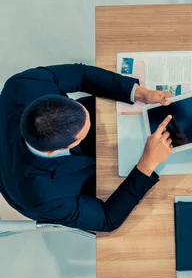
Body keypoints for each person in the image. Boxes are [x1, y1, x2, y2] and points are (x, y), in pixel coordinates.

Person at [0, 64, 174, 232]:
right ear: (55, 151)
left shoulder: (24, 84)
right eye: (84, 132)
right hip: (75, 183)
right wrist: (146, 165)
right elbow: (108, 219)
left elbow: (81, 75)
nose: (92, 123)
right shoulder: (44, 196)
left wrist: (139, 92)